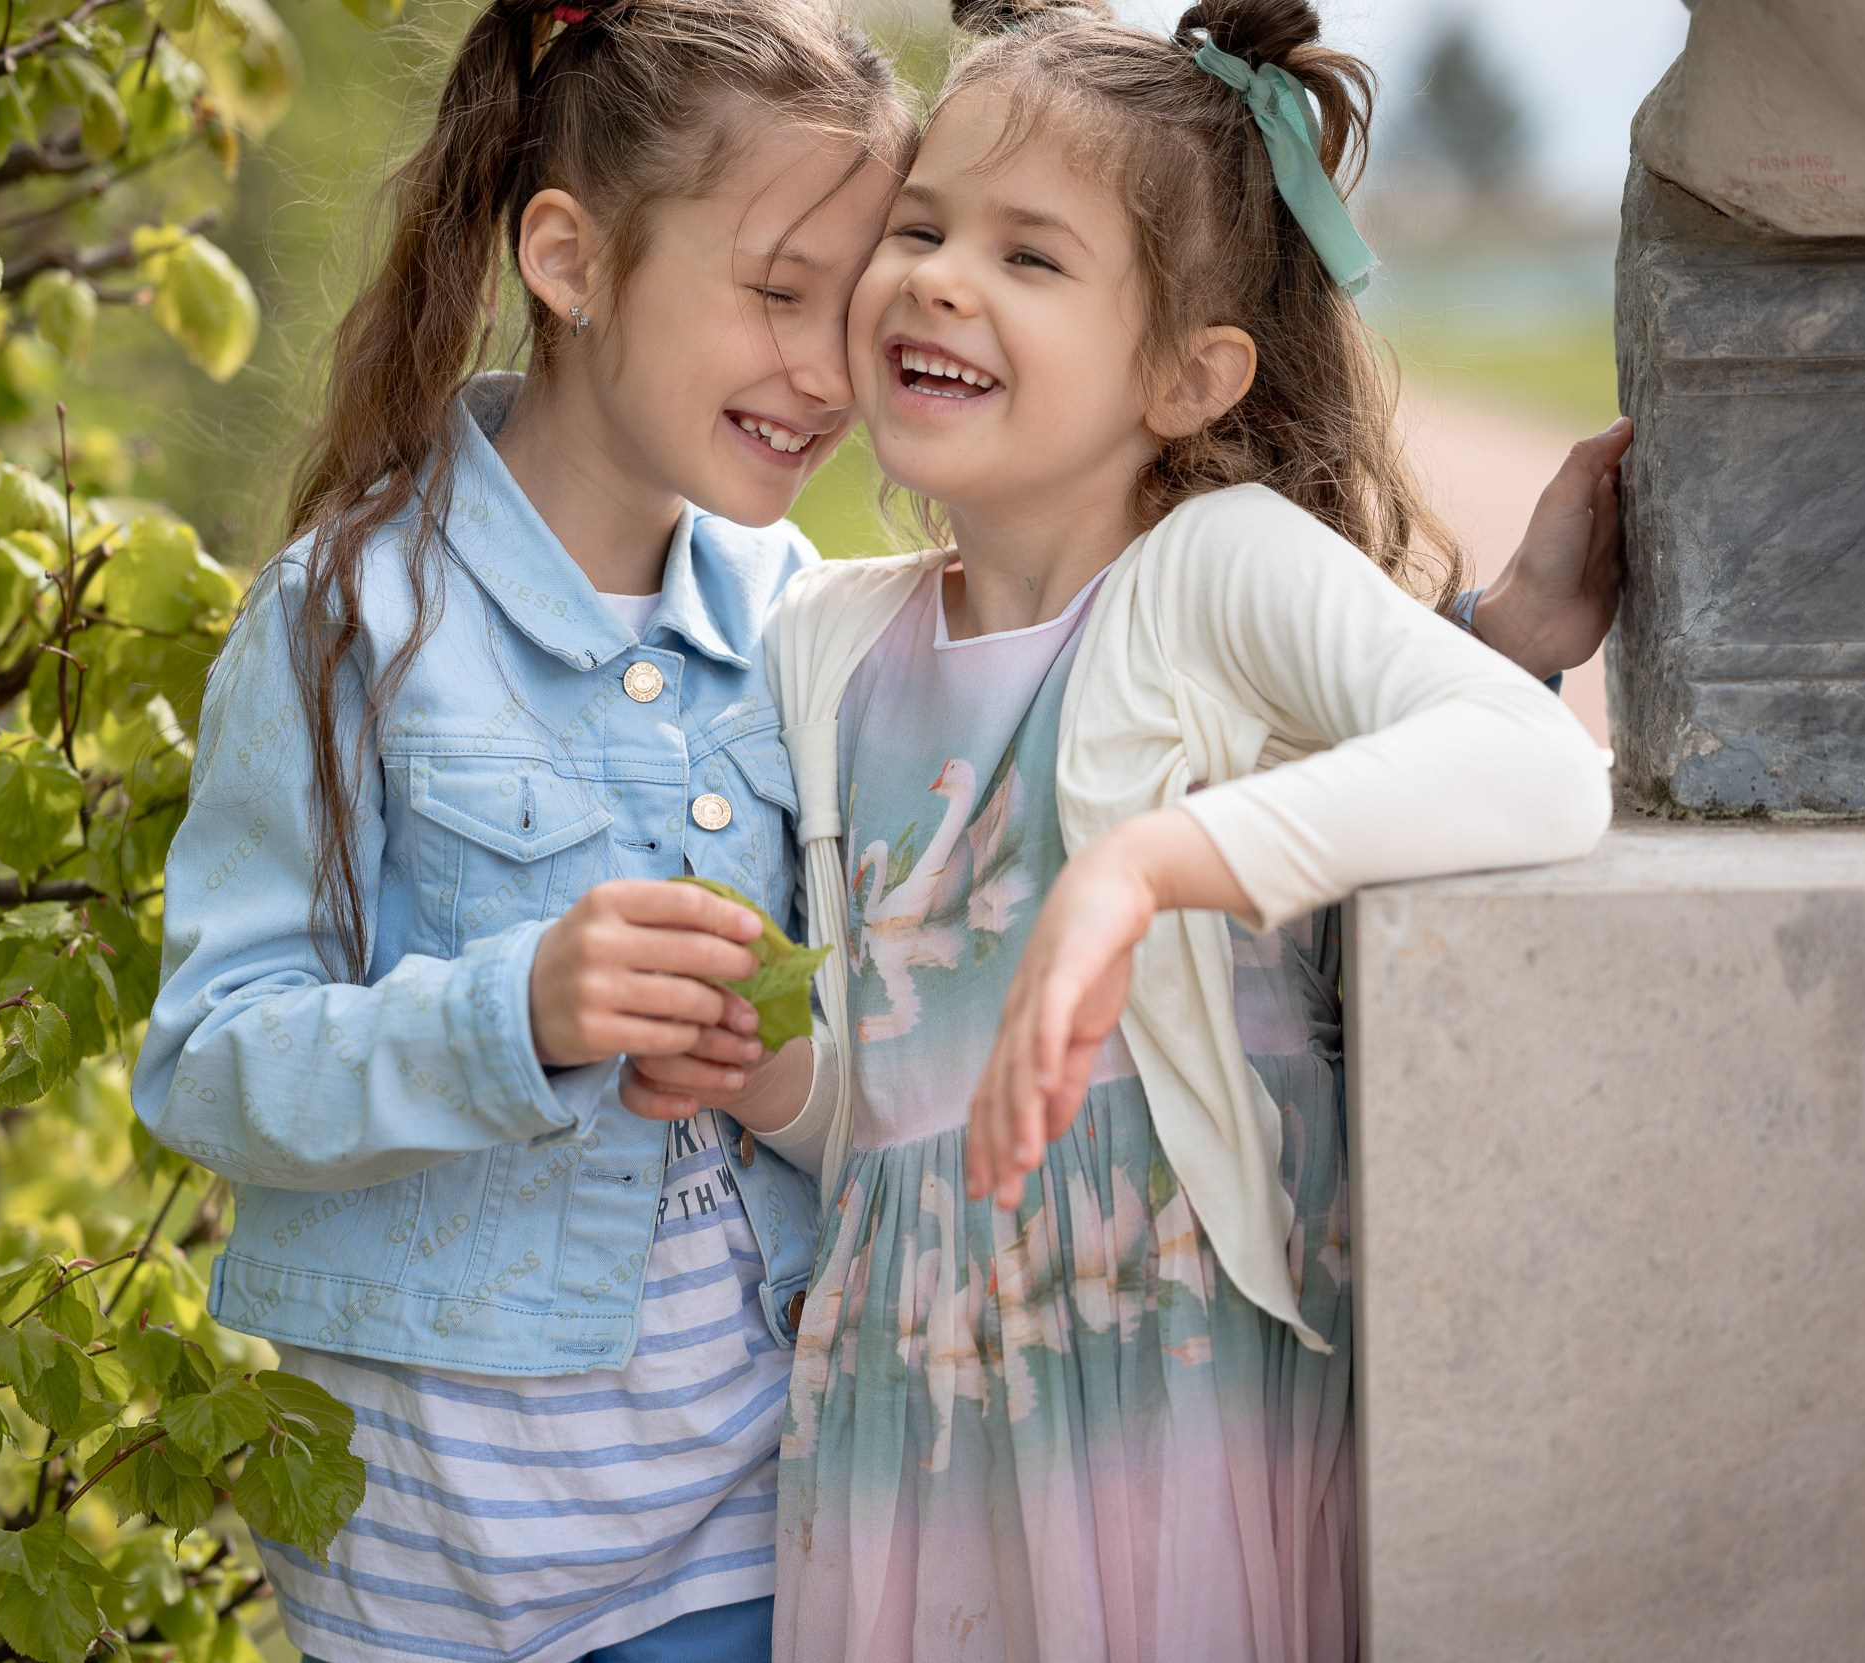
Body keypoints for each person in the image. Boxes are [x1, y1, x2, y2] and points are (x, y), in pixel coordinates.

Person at [136, 1, 1621, 1659]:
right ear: (568, 259)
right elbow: (216, 1066)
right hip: (609, 1530)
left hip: (903, 1501)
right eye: (812, 278)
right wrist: (581, 1024)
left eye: (845, 297)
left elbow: (1234, 744)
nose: (854, 333)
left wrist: (1487, 650)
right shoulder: (550, 631)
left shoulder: (870, 614)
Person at [656, 2, 1612, 1659]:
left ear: (1187, 372)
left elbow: (1536, 768)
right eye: (924, 227)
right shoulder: (830, 650)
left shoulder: (1212, 568)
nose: (943, 278)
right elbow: (910, 1129)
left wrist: (1150, 863)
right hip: (914, 1447)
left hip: (1167, 1430)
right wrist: (766, 1077)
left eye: (1032, 257)